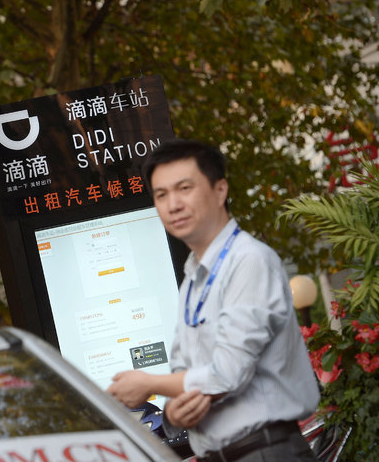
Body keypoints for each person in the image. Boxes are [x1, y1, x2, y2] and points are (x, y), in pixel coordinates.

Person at [106, 139, 320, 462]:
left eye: (184, 188)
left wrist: (148, 383)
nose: (172, 204)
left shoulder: (249, 261)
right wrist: (175, 415)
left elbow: (227, 373)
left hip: (266, 451)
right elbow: (184, 373)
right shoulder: (192, 278)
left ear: (220, 191)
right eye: (161, 195)